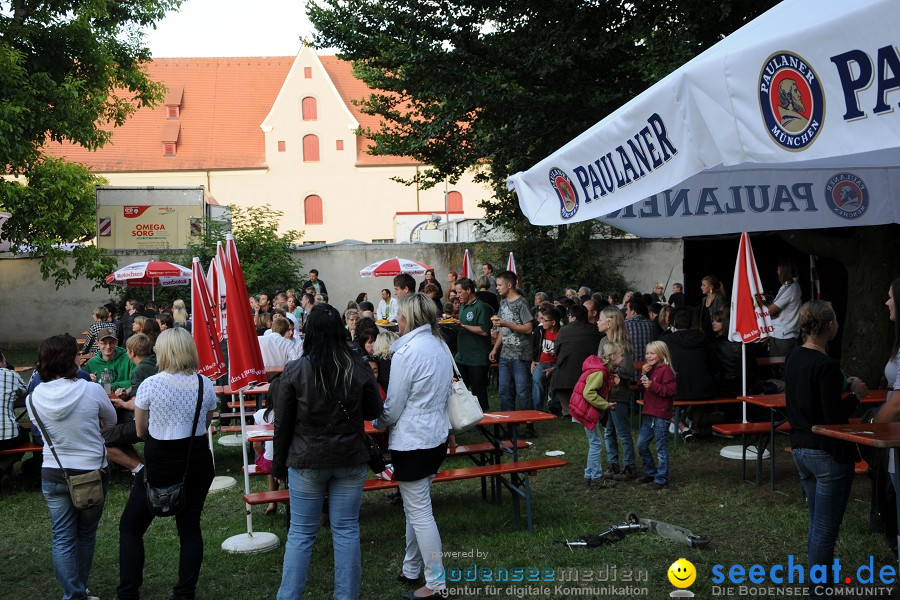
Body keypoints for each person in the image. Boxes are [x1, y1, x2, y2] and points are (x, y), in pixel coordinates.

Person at [272, 303, 381, 600]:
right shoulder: (356, 364)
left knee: (302, 533)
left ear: (310, 333)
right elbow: (374, 409)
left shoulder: (296, 369)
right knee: (345, 530)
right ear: (340, 331)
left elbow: (282, 424)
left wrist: (278, 465)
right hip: (347, 456)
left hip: (309, 459)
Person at [115, 328, 217, 600]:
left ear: (163, 351)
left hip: (162, 460)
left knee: (131, 527)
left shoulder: (151, 384)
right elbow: (204, 424)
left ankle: (128, 592)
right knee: (190, 527)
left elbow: (140, 431)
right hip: (196, 459)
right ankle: (184, 593)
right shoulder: (204, 383)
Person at [786, 300, 867, 598]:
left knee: (817, 525)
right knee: (825, 530)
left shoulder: (794, 357)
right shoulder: (826, 366)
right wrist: (855, 396)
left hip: (800, 450)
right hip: (827, 454)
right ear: (830, 326)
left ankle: (818, 588)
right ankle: (819, 592)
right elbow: (833, 419)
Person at [372, 293, 451, 599]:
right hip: (435, 436)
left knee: (419, 512)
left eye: (399, 316)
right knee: (416, 507)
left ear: (406, 319)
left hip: (414, 440)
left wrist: (377, 423)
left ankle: (436, 583)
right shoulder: (439, 345)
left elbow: (392, 407)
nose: (396, 321)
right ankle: (410, 567)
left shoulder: (408, 352)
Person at [28, 334, 114, 600]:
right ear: (70, 359)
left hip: (53, 471)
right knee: (85, 535)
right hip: (90, 471)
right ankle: (79, 591)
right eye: (77, 353)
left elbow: (41, 431)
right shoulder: (91, 389)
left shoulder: (34, 396)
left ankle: (74, 593)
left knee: (62, 537)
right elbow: (110, 422)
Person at [569, 340, 624, 488]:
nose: (623, 358)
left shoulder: (604, 371)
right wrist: (606, 404)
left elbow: (602, 390)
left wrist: (614, 385)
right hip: (585, 410)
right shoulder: (599, 372)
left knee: (595, 443)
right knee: (596, 444)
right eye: (621, 355)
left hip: (585, 409)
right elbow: (588, 393)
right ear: (612, 357)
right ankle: (596, 479)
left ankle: (589, 476)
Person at [597, 307, 637, 481]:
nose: (598, 322)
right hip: (605, 394)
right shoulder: (602, 342)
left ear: (610, 323)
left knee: (622, 432)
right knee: (608, 431)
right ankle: (613, 464)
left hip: (619, 395)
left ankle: (629, 467)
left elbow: (628, 372)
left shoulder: (623, 345)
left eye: (600, 319)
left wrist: (613, 369)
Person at [489, 271, 533, 413]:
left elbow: (528, 328)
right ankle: (509, 424)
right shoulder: (503, 303)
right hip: (505, 354)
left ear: (509, 285)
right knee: (504, 391)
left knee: (522, 391)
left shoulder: (521, 302)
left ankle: (528, 424)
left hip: (521, 355)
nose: (497, 288)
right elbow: (503, 328)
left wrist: (506, 324)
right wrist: (495, 348)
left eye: (499, 285)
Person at [548, 304, 602, 418]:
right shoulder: (594, 330)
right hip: (588, 370)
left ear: (573, 317)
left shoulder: (564, 330)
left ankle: (567, 410)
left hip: (566, 371)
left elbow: (556, 350)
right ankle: (579, 409)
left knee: (557, 380)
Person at [637, 340, 677, 490]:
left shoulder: (665, 370)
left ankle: (661, 479)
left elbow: (671, 390)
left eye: (652, 353)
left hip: (661, 415)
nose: (648, 356)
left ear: (661, 354)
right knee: (641, 445)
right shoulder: (650, 369)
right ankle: (651, 472)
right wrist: (643, 374)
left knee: (661, 448)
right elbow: (640, 387)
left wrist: (653, 386)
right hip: (649, 414)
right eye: (647, 353)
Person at [454, 277, 493, 412]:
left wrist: (463, 326)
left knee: (478, 391)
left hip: (477, 358)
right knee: (459, 390)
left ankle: (484, 418)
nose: (457, 296)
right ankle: (466, 417)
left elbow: (484, 331)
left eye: (459, 292)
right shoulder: (463, 306)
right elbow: (462, 326)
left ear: (468, 290)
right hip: (462, 357)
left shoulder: (480, 307)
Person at [0, 350, 27, 484]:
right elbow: (26, 394)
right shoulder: (10, 375)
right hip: (7, 436)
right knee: (25, 437)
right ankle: (2, 468)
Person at [83, 327, 135, 393]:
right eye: (104, 343)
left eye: (111, 343)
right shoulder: (91, 363)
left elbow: (136, 381)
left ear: (116, 342)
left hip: (124, 400)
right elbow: (82, 385)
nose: (108, 346)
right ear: (97, 343)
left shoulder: (128, 359)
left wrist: (115, 386)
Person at [767, 260, 802, 357]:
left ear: (784, 270)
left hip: (783, 336)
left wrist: (762, 308)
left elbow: (769, 311)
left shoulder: (789, 288)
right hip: (785, 335)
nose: (777, 272)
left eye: (778, 269)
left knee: (781, 370)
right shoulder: (793, 286)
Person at [531, 306, 560, 412]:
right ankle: (537, 409)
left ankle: (554, 407)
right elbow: (532, 346)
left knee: (558, 380)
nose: (542, 322)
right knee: (537, 379)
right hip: (542, 362)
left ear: (553, 322)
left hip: (557, 364)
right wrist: (533, 360)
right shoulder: (539, 330)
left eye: (544, 320)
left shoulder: (562, 333)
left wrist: (555, 367)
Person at [699, 275, 726, 341]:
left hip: (715, 335)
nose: (701, 287)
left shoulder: (719, 298)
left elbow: (722, 317)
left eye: (704, 285)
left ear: (711, 286)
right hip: (705, 334)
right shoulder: (704, 299)